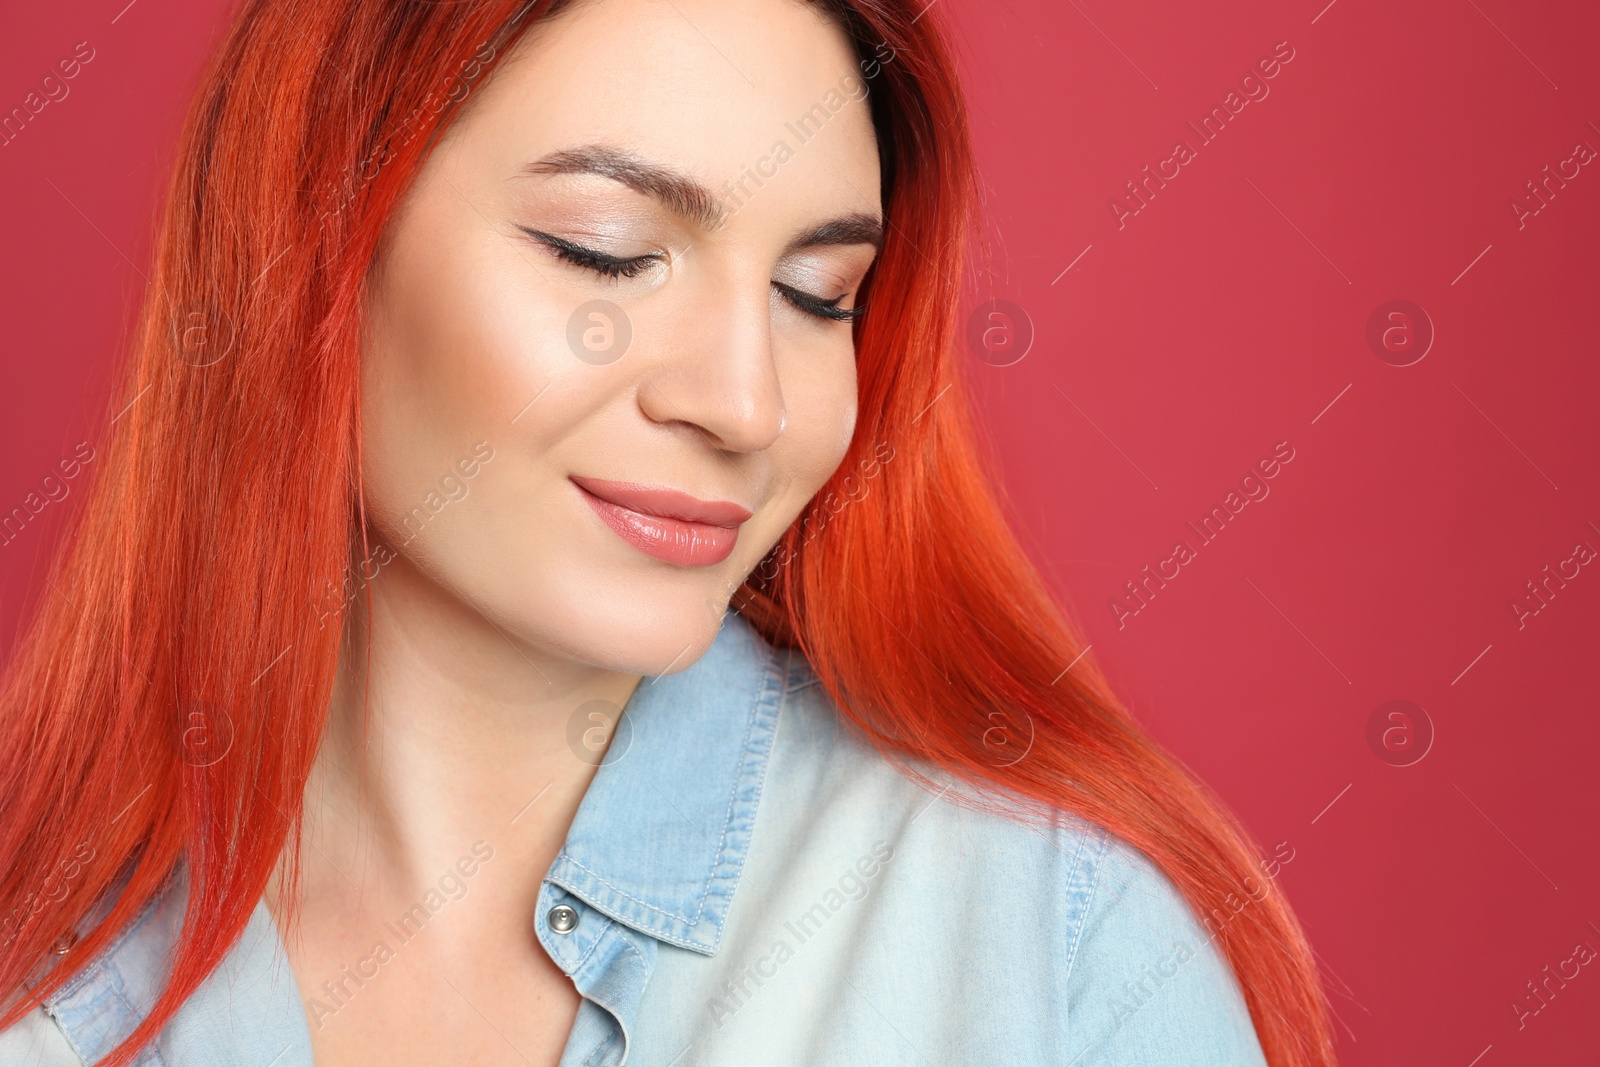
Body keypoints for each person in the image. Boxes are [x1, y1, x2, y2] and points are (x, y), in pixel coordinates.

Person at [0, 0, 1336, 1064]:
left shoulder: (1055, 948)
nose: (747, 405)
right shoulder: (44, 960)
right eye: (606, 250)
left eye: (819, 297)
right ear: (306, 248)